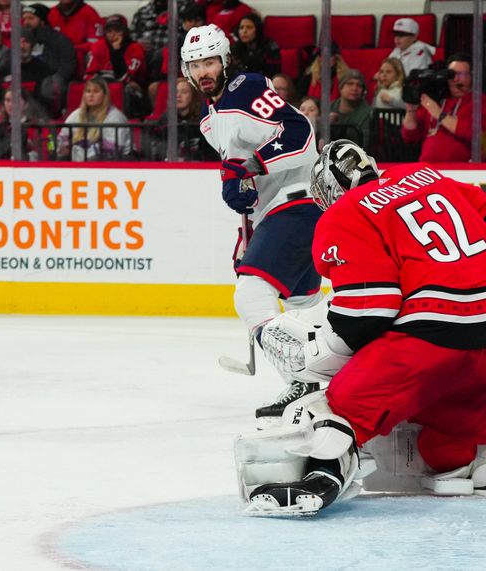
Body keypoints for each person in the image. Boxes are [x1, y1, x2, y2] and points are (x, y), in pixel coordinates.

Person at [238, 140, 486, 514]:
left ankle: (322, 474)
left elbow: (367, 313)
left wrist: (316, 355)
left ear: (329, 189)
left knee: (330, 406)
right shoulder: (424, 176)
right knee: (444, 453)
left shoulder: (345, 213)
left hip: (429, 346)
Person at [180, 24, 324, 422]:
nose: (203, 71)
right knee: (303, 306)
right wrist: (240, 188)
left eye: (210, 61)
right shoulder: (210, 120)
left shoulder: (244, 88)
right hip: (280, 212)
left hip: (296, 205)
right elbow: (241, 170)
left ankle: (302, 379)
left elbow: (298, 133)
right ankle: (322, 384)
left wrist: (249, 167)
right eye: (195, 65)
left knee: (251, 297)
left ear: (225, 60)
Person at [401, 52, 486, 162]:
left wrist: (440, 114)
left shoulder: (484, 102)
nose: (456, 79)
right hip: (429, 172)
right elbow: (410, 137)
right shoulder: (437, 100)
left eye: (462, 74)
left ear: (472, 76)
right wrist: (410, 110)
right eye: (451, 74)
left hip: (466, 171)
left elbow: (478, 135)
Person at [84, 14, 149, 119]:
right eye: (109, 31)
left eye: (117, 30)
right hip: (103, 87)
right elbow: (88, 75)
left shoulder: (135, 48)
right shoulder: (99, 46)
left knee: (127, 88)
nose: (113, 35)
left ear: (125, 32)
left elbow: (125, 78)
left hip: (132, 92)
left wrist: (116, 51)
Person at [56, 75, 131, 161]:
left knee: (96, 159)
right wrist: (64, 147)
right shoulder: (77, 114)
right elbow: (62, 138)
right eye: (88, 91)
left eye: (96, 91)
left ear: (104, 95)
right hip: (81, 163)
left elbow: (113, 150)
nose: (91, 95)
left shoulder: (115, 117)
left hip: (115, 163)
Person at [22, 3, 77, 118]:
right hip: (29, 79)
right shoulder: (21, 40)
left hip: (50, 80)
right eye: (25, 19)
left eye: (31, 18)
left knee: (47, 89)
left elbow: (68, 66)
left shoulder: (60, 40)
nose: (26, 22)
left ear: (42, 21)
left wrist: (53, 80)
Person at [150, 77, 214, 160]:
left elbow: (211, 156)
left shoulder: (204, 120)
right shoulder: (164, 121)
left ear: (193, 96)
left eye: (184, 92)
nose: (178, 95)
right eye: (175, 92)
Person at [0, 88, 50, 160]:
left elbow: (46, 153)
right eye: (8, 100)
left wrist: (31, 148)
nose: (11, 104)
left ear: (26, 104)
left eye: (15, 100)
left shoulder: (36, 126)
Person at [329, 69, 371, 148]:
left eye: (359, 85)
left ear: (363, 91)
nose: (354, 88)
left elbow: (364, 144)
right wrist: (325, 125)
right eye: (350, 84)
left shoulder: (368, 113)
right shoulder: (330, 108)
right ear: (341, 88)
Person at [230, 13, 280, 78]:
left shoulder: (270, 47)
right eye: (241, 28)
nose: (244, 31)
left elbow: (273, 74)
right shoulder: (235, 48)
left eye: (249, 27)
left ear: (258, 29)